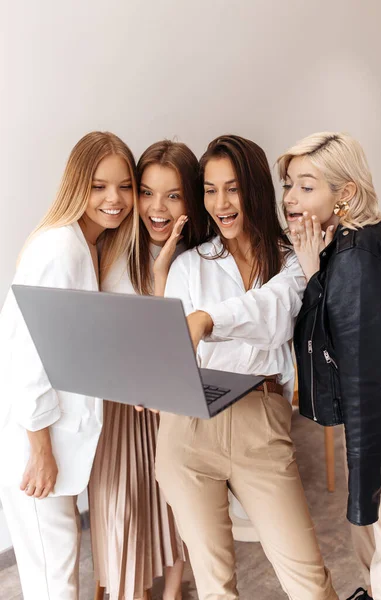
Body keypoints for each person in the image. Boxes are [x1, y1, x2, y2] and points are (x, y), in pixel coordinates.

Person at [156, 134, 338, 600]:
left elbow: (276, 314)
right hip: (189, 428)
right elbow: (174, 354)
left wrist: (207, 319)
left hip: (261, 421)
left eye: (232, 188)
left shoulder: (295, 256)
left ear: (255, 188)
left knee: (309, 582)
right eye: (211, 190)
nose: (221, 202)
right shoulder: (189, 266)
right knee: (217, 589)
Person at [0, 131, 137, 600]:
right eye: (99, 186)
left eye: (124, 186)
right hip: (36, 439)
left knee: (57, 565)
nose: (114, 199)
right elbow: (29, 356)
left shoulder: (86, 247)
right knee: (52, 576)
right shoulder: (60, 249)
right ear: (78, 185)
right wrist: (40, 448)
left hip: (52, 437)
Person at [278, 131, 381, 600]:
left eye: (307, 186)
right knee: (376, 535)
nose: (290, 198)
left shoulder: (354, 257)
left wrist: (361, 484)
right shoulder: (368, 239)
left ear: (345, 193)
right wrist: (313, 272)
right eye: (288, 184)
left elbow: (363, 378)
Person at [89, 140, 210, 600]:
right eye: (147, 192)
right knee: (120, 509)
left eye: (173, 195)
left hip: (172, 404)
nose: (156, 208)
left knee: (173, 506)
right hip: (121, 405)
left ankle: (174, 590)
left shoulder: (198, 260)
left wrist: (162, 276)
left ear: (189, 200)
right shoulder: (112, 247)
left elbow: (175, 352)